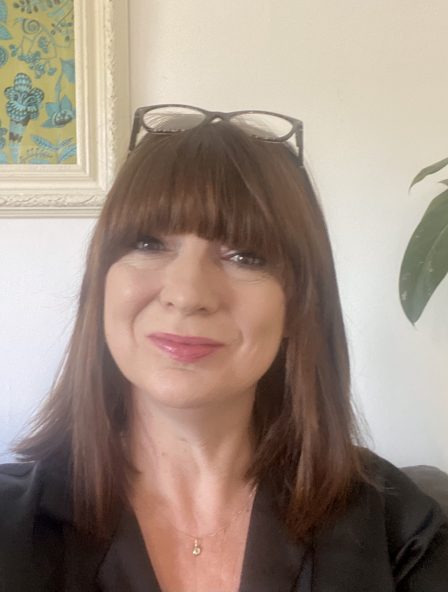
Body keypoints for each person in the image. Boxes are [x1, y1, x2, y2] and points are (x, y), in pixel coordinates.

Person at [0, 105, 447, 592]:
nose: (187, 293)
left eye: (245, 256)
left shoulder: (402, 532)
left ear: (299, 306)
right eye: (148, 243)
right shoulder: (13, 529)